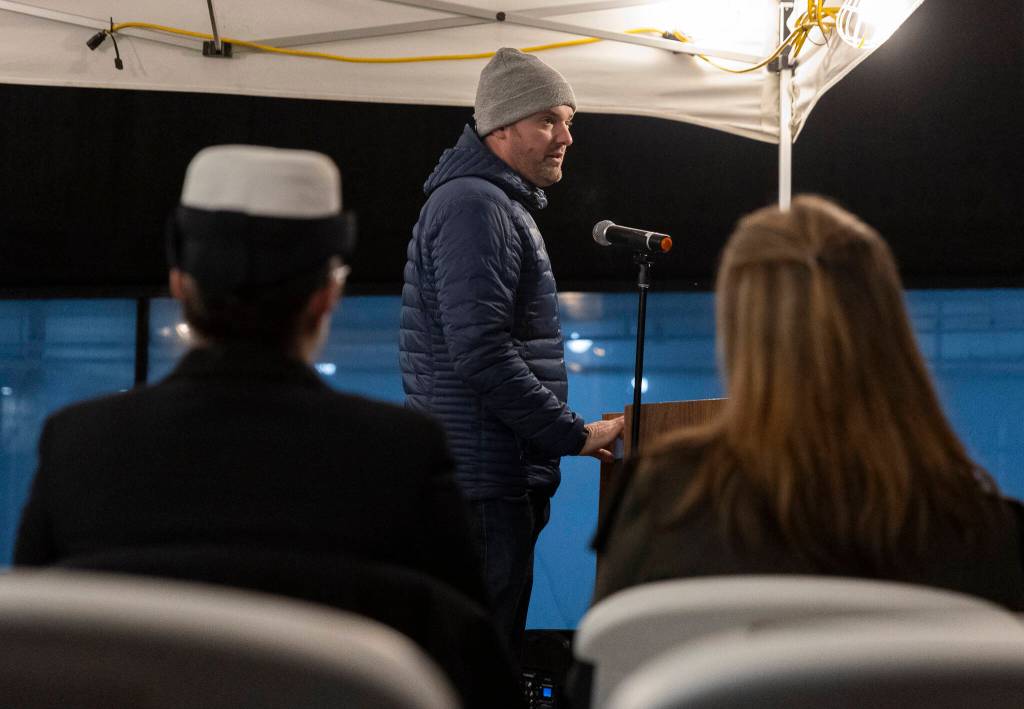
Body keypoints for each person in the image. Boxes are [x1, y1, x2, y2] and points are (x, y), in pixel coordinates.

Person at [14, 144, 490, 613]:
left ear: (180, 286)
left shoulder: (78, 446)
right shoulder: (401, 457)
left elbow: (30, 654)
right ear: (327, 294)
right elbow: (472, 671)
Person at [592, 195, 1024, 610]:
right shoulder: (994, 538)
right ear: (890, 327)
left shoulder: (665, 508)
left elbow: (602, 678)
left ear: (739, 333)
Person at [400, 48, 624, 654]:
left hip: (489, 476)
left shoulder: (490, 203)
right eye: (550, 120)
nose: (567, 137)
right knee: (478, 666)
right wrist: (571, 434)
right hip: (485, 485)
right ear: (501, 126)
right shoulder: (476, 205)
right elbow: (482, 354)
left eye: (569, 121)